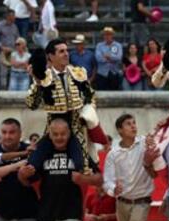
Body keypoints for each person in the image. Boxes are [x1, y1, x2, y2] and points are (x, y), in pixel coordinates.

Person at [26, 38, 108, 173]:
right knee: (32, 165)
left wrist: (88, 112)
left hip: (76, 128)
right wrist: (37, 82)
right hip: (53, 130)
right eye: (61, 51)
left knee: (85, 167)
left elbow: (90, 96)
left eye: (66, 51)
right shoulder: (42, 77)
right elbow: (32, 105)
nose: (66, 54)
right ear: (51, 56)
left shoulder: (78, 73)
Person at [0, 9, 19, 88]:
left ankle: (12, 88)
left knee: (13, 71)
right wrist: (2, 47)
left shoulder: (15, 27)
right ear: (8, 16)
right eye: (13, 16)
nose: (14, 17)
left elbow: (17, 38)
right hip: (2, 51)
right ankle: (3, 88)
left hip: (13, 51)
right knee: (3, 72)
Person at [95, 26, 123, 91]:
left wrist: (108, 56)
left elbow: (119, 58)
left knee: (114, 94)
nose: (107, 36)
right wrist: (112, 58)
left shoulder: (118, 45)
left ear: (112, 35)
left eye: (109, 34)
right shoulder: (99, 45)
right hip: (102, 74)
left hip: (114, 73)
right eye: (105, 34)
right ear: (103, 36)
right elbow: (98, 58)